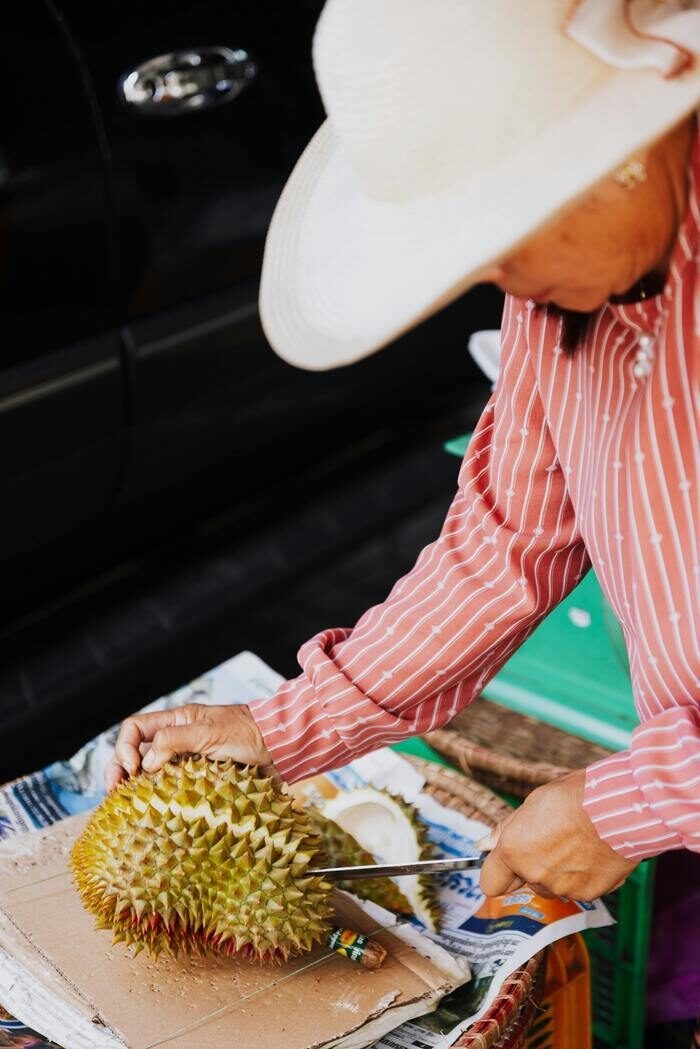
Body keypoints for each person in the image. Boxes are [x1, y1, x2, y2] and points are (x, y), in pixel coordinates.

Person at [106, 0, 699, 904]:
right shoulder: (553, 305)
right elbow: (505, 545)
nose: (495, 285)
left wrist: (630, 804)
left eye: (497, 239)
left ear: (617, 152)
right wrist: (284, 726)